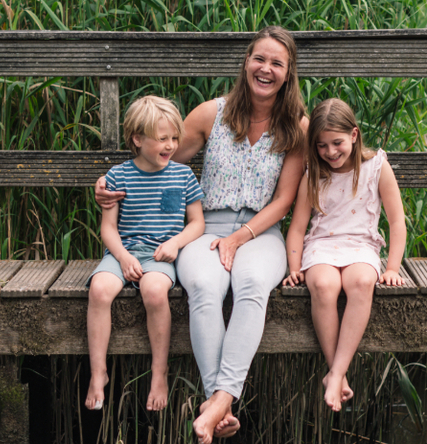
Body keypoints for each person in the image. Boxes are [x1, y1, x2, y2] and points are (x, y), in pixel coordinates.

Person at [95, 26, 307, 443]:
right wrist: (107, 184)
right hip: (204, 227)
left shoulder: (296, 126)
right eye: (259, 59)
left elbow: (284, 200)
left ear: (289, 72)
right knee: (205, 288)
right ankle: (217, 402)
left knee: (252, 285)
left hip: (261, 231)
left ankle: (219, 400)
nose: (265, 69)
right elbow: (155, 160)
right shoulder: (213, 114)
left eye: (277, 63)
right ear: (246, 62)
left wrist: (239, 237)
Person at [282, 98, 407, 412]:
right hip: (321, 245)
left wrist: (392, 267)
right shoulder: (313, 173)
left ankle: (336, 374)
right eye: (321, 145)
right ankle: (338, 372)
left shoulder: (376, 166)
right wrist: (295, 266)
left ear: (353, 134)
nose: (330, 152)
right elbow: (297, 228)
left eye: (337, 142)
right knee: (324, 285)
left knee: (362, 282)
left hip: (361, 244)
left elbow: (396, 221)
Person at [86, 96, 205, 412]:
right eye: (162, 138)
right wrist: (123, 257)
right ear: (137, 139)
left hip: (160, 256)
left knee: (154, 292)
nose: (171, 145)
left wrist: (176, 243)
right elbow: (108, 229)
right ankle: (98, 372)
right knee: (99, 289)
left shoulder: (183, 175)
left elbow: (197, 223)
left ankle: (159, 372)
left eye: (174, 138)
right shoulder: (118, 176)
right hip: (123, 252)